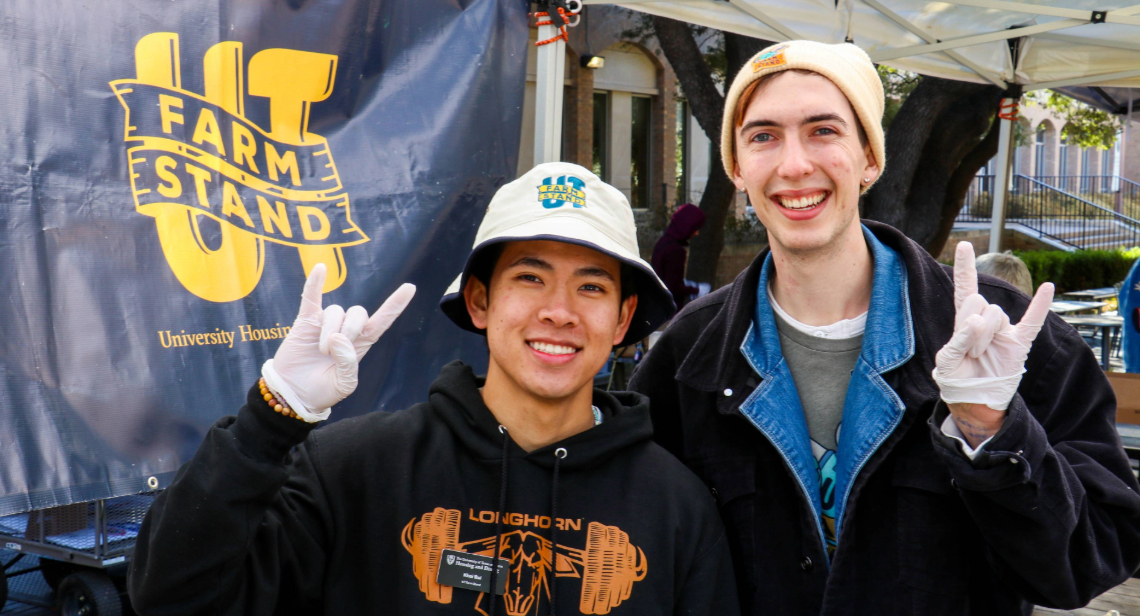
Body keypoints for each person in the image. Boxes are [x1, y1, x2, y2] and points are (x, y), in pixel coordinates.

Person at [629, 40, 1140, 615]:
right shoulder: (687, 356)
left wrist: (992, 433)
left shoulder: (1005, 334)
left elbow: (1088, 564)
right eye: (763, 136)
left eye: (824, 130)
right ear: (738, 169)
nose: (794, 164)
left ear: (871, 158)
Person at [128, 162, 739, 616]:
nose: (559, 312)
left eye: (591, 287)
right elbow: (170, 596)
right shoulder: (355, 470)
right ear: (479, 300)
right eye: (530, 277)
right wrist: (274, 415)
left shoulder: (676, 505)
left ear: (624, 320)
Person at [651, 202, 707, 310]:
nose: (696, 233)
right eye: (695, 228)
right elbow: (673, 287)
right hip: (668, 311)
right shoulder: (676, 250)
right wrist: (697, 290)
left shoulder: (663, 242)